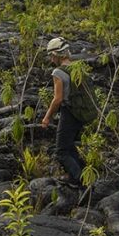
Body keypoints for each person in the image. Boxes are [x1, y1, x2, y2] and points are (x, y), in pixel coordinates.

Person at [40, 37, 86, 189]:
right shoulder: (76, 67)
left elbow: (57, 99)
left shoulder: (58, 72)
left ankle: (82, 182)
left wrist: (47, 118)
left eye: (51, 55)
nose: (50, 59)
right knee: (70, 146)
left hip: (68, 113)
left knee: (61, 151)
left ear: (56, 54)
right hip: (80, 112)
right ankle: (83, 174)